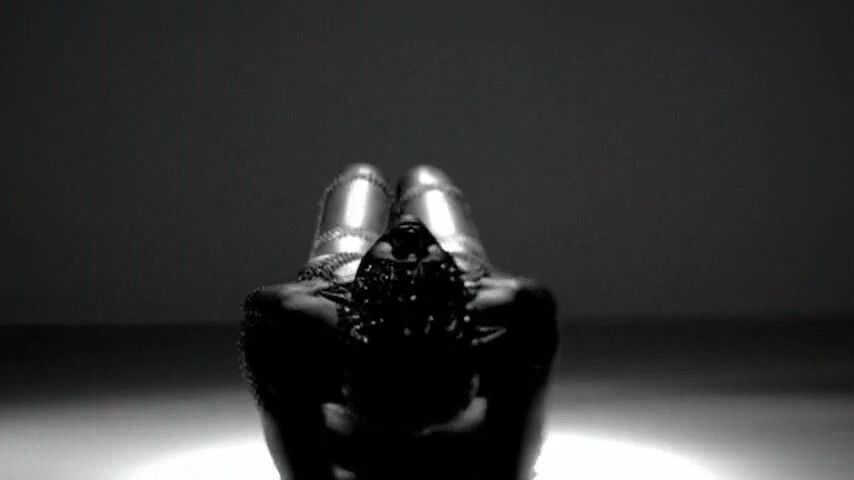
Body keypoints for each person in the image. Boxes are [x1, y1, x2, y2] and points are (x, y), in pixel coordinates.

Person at [240, 165, 558, 480]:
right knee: (423, 178)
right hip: (439, 314)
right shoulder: (514, 309)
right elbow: (516, 450)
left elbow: (294, 445)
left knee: (362, 177)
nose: (408, 225)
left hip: (360, 307)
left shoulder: (293, 315)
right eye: (421, 252)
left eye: (400, 258)